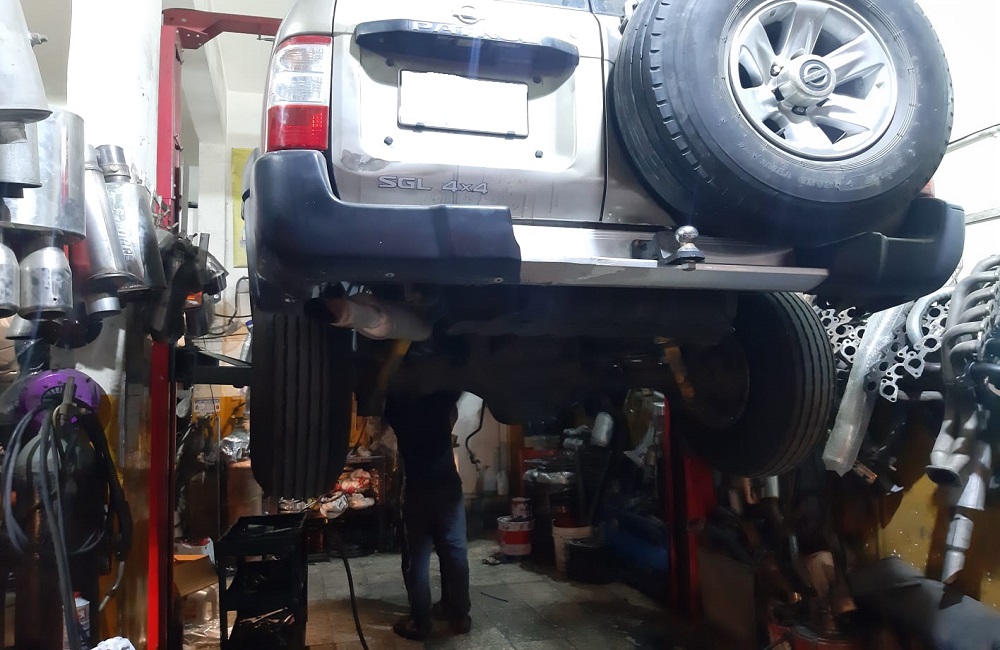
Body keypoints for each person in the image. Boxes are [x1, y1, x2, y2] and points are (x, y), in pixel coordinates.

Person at [384, 390, 472, 641]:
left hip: (417, 490)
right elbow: (456, 392)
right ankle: (459, 617)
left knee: (418, 558)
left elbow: (383, 404)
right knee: (455, 551)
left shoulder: (397, 407)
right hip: (447, 488)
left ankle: (421, 622)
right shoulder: (440, 398)